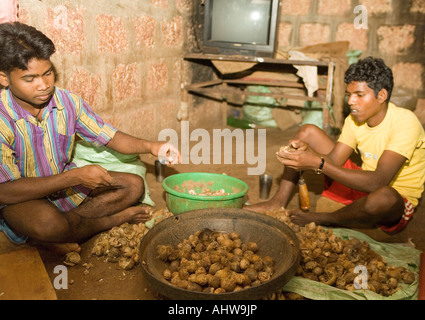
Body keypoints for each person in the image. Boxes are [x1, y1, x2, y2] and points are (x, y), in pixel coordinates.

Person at [0, 22, 180, 252]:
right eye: (30, 79)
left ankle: (63, 230)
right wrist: (74, 177)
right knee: (47, 223)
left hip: (61, 187)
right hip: (22, 198)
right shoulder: (2, 118)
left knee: (134, 186)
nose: (44, 85)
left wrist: (151, 146)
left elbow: (109, 136)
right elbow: (5, 191)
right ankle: (106, 222)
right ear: (4, 79)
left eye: (48, 73)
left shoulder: (67, 102)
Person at [245, 56, 425, 234]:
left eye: (359, 95)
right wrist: (307, 153)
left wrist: (317, 163)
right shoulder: (354, 120)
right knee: (308, 131)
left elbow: (377, 182)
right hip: (362, 182)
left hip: (394, 200)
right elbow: (334, 160)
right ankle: (277, 202)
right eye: (349, 94)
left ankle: (326, 218)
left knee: (383, 197)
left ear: (382, 95)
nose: (351, 101)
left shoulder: (405, 123)